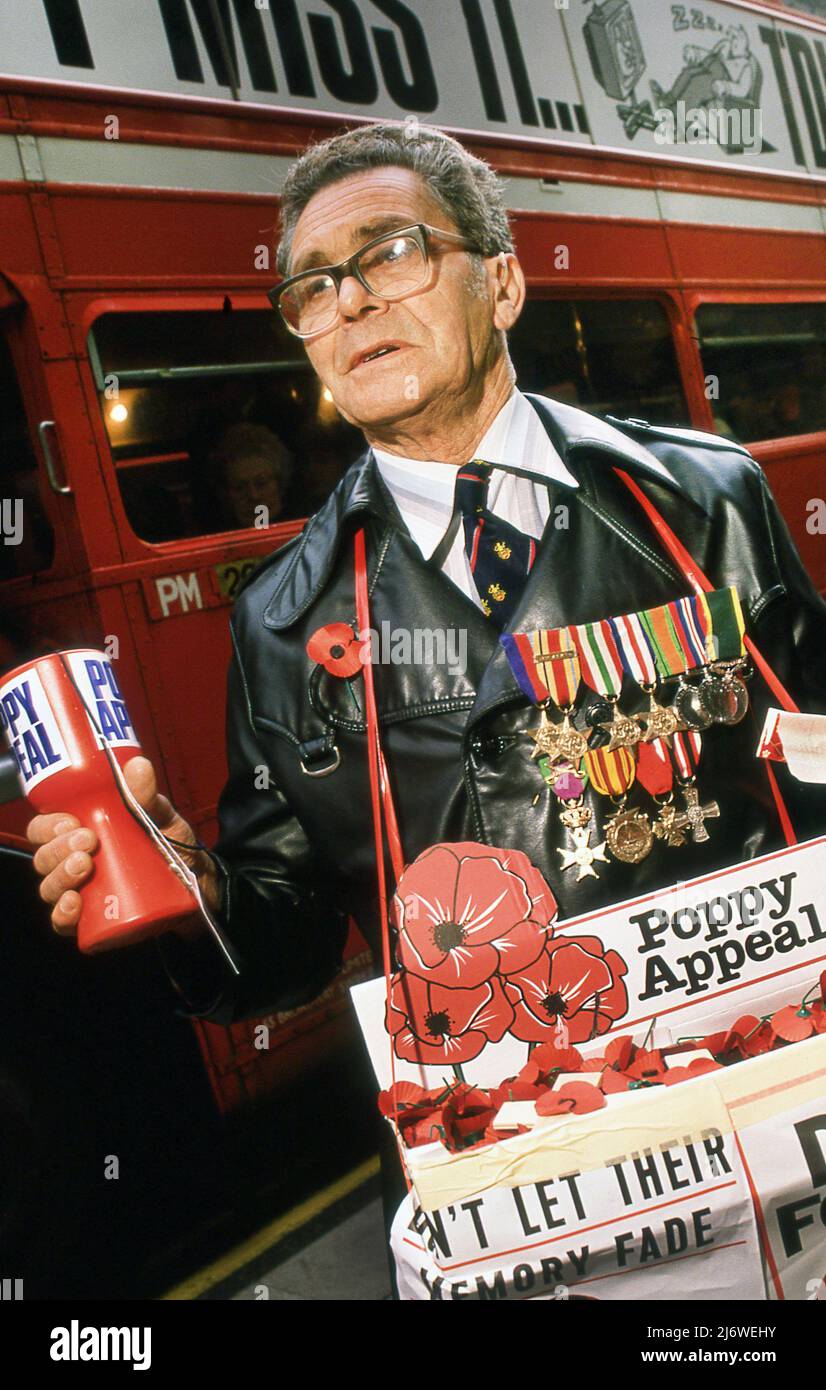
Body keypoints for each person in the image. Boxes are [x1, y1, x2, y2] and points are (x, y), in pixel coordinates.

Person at [25, 121, 826, 1270]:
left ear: (500, 281)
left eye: (391, 254)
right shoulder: (285, 618)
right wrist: (179, 885)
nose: (348, 304)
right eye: (312, 288)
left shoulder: (702, 502)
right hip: (521, 1185)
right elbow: (286, 942)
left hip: (770, 1110)